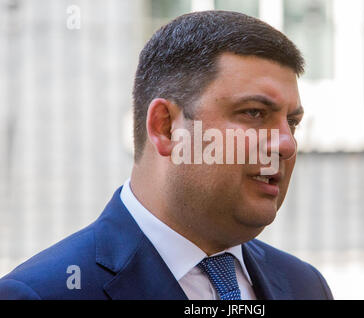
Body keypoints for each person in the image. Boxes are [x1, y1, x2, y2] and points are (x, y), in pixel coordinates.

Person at [0, 10, 333, 300]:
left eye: (291, 122)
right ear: (166, 127)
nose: (286, 144)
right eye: (254, 113)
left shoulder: (305, 286)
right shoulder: (44, 293)